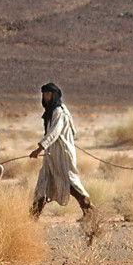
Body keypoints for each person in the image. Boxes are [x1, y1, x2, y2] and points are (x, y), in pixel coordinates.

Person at [28, 82, 92, 218]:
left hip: (62, 154)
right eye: (44, 94)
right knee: (42, 184)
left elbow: (54, 133)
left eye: (48, 94)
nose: (45, 97)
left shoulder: (59, 112)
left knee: (70, 182)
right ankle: (32, 216)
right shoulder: (51, 112)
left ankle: (89, 209)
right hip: (51, 154)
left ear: (54, 95)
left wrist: (38, 149)